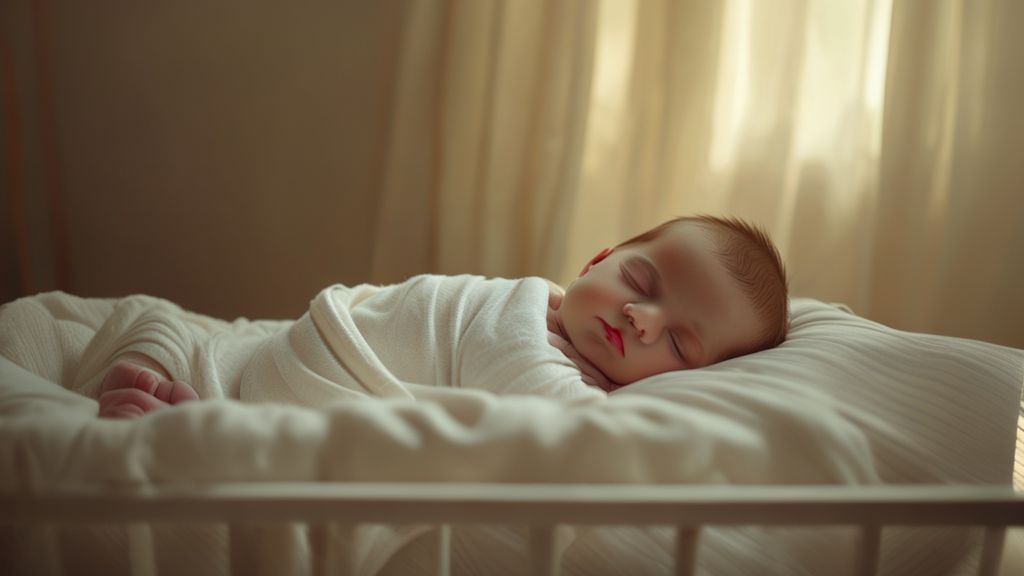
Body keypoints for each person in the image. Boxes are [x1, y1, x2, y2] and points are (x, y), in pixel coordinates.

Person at [96, 215, 788, 418]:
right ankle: (197, 411)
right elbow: (569, 434)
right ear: (595, 260)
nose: (641, 319)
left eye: (677, 344)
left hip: (301, 378)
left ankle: (195, 413)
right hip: (306, 368)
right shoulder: (522, 326)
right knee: (167, 335)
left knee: (187, 355)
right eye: (639, 282)